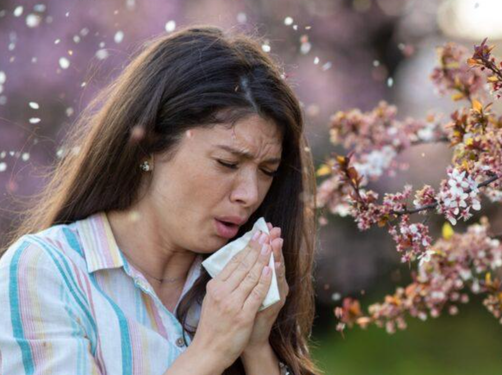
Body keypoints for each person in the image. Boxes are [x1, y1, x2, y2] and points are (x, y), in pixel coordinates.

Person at [0, 25, 322, 375]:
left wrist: (257, 347)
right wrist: (210, 351)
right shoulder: (47, 272)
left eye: (267, 170)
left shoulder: (233, 288)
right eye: (227, 163)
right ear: (151, 144)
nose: (250, 194)